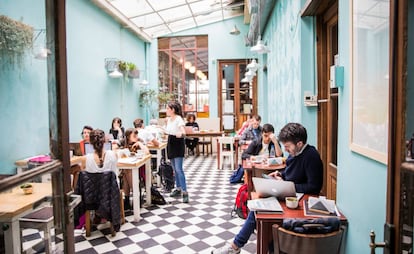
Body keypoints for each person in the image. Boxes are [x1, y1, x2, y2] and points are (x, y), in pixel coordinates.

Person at [212, 122, 323, 254]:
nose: (286, 150)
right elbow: (290, 173)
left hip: (299, 201)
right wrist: (280, 174)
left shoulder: (311, 156)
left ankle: (236, 246)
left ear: (299, 144)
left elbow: (314, 187)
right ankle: (238, 245)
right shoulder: (295, 154)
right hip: (288, 194)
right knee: (256, 209)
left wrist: (289, 186)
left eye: (288, 147)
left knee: (259, 214)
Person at [119, 128, 149, 210]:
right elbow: (116, 149)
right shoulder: (123, 142)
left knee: (127, 172)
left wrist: (139, 143)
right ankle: (135, 197)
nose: (136, 137)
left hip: (138, 167)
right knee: (126, 172)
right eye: (134, 135)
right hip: (127, 167)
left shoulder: (139, 141)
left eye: (136, 135)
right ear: (128, 136)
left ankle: (130, 198)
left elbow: (147, 152)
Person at [165, 101, 189, 203]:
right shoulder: (169, 120)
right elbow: (168, 131)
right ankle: (178, 188)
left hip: (178, 144)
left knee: (179, 169)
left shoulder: (178, 119)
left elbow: (183, 131)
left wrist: (181, 133)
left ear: (173, 110)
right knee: (174, 169)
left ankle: (185, 192)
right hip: (170, 143)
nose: (166, 110)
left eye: (167, 108)